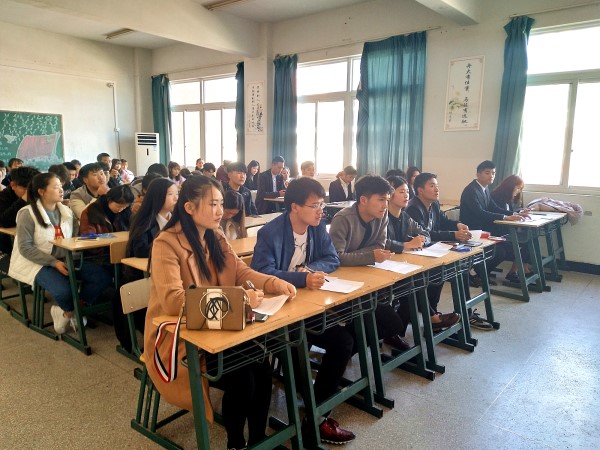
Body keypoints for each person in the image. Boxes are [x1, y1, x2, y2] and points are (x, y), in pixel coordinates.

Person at [143, 175, 295, 450]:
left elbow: (241, 272)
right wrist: (241, 299)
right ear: (189, 207)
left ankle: (258, 439)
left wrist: (275, 283)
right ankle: (235, 443)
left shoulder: (215, 235)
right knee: (243, 378)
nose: (219, 211)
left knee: (262, 366)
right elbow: (174, 302)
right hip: (183, 337)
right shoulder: (166, 243)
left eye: (221, 204)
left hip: (220, 327)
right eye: (213, 204)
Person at [250, 177, 355, 444]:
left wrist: (308, 271)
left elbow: (331, 258)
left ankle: (316, 412)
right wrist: (301, 278)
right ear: (295, 207)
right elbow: (262, 273)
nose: (321, 211)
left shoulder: (316, 228)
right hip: (276, 312)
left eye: (322, 205)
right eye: (315, 205)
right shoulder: (271, 232)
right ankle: (315, 417)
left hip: (306, 307)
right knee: (296, 346)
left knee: (343, 341)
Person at [9, 173, 113, 334]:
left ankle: (69, 312)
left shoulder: (66, 211)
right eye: (56, 187)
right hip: (39, 262)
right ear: (41, 191)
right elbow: (25, 248)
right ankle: (72, 311)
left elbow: (75, 238)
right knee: (64, 291)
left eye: (61, 186)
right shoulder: (27, 213)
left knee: (102, 278)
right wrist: (54, 262)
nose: (61, 190)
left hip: (68, 258)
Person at [329, 175, 408, 350]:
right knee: (384, 323)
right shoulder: (343, 218)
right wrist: (370, 256)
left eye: (387, 200)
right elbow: (337, 258)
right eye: (381, 200)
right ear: (363, 200)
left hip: (367, 280)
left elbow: (380, 245)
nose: (385, 205)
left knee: (394, 324)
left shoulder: (382, 215)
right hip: (342, 285)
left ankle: (348, 349)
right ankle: (345, 348)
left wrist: (357, 256)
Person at [113, 177, 178, 352]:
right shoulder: (144, 219)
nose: (176, 198)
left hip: (168, 270)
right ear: (157, 197)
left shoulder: (176, 219)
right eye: (170, 194)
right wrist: (167, 247)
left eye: (177, 194)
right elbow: (140, 250)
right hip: (140, 274)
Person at [403, 173, 470, 330]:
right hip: (419, 252)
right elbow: (426, 234)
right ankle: (431, 314)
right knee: (438, 272)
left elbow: (443, 221)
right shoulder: (413, 208)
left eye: (437, 186)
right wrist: (452, 235)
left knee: (460, 269)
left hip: (433, 250)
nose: (436, 189)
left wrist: (457, 225)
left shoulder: (434, 204)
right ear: (420, 190)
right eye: (432, 186)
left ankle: (438, 311)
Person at [459, 161, 527, 285]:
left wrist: (514, 214)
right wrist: (505, 217)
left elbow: (494, 208)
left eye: (493, 173)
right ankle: (478, 273)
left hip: (483, 230)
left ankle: (481, 273)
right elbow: (480, 212)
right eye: (487, 173)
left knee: (505, 247)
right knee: (500, 251)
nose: (491, 176)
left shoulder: (485, 189)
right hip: (472, 231)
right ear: (478, 174)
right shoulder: (471, 190)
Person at [492, 175, 534, 282]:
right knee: (522, 243)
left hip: (506, 230)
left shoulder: (508, 199)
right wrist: (515, 215)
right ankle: (514, 271)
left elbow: (508, 212)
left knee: (530, 239)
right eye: (518, 188)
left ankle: (519, 269)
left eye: (520, 189)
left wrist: (520, 212)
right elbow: (499, 214)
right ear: (510, 186)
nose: (519, 191)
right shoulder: (495, 197)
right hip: (497, 231)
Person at [0, 166, 41, 271]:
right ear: (13, 185)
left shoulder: (39, 193)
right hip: (10, 244)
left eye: (31, 189)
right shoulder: (3, 197)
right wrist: (23, 199)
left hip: (36, 239)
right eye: (25, 189)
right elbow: (3, 222)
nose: (30, 193)